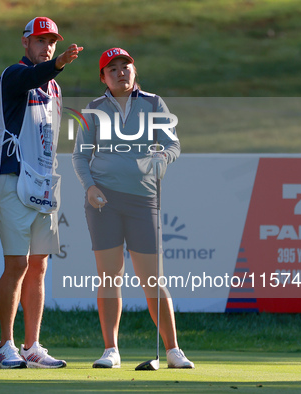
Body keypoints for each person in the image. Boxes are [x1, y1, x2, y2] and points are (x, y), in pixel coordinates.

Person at [72, 48, 194, 369]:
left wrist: (162, 158)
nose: (121, 71)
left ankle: (173, 350)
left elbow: (172, 144)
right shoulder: (94, 109)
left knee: (152, 278)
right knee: (110, 276)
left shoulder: (153, 104)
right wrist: (91, 187)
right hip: (104, 202)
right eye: (112, 69)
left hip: (143, 198)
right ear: (103, 78)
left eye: (125, 65)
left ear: (134, 70)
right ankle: (111, 350)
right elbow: (80, 156)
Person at [0, 17, 83, 369]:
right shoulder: (14, 75)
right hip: (11, 176)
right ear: (25, 43)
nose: (47, 47)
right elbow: (32, 77)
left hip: (42, 183)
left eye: (52, 42)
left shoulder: (54, 89)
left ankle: (32, 346)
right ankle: (5, 346)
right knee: (17, 263)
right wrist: (57, 65)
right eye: (40, 40)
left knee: (39, 266)